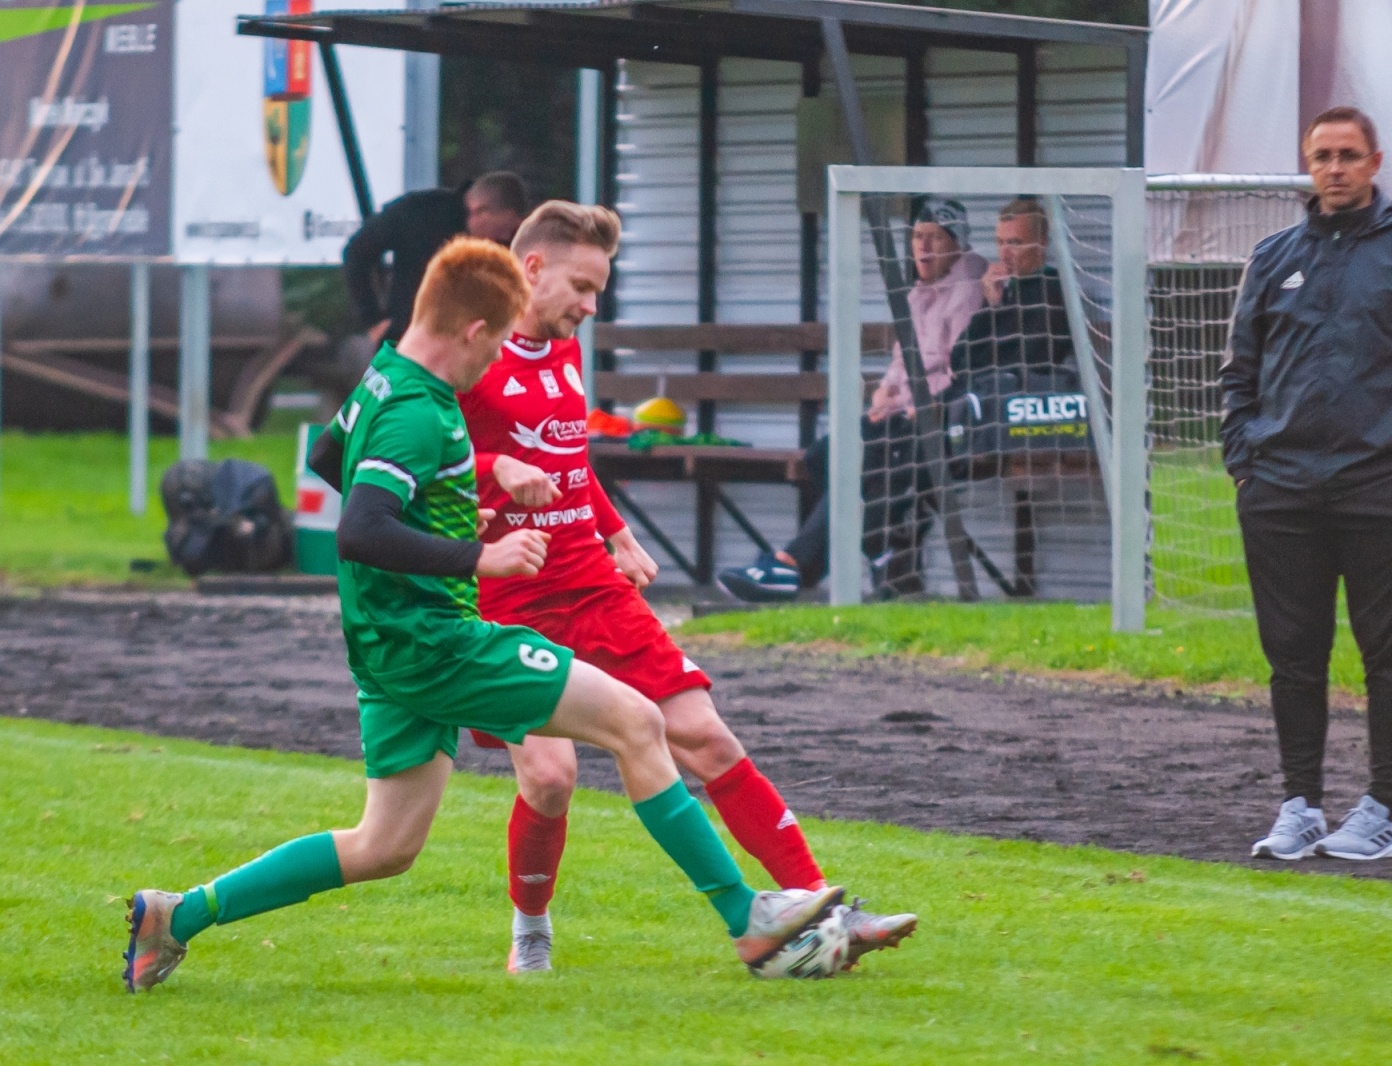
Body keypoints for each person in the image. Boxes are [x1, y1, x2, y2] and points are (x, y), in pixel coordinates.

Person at [121, 237, 845, 993]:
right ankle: (748, 922)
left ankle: (175, 917)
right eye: (497, 342)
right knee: (638, 722)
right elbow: (360, 529)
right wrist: (481, 557)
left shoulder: (381, 381)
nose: (497, 359)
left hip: (386, 646)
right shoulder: (419, 410)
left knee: (384, 845)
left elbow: (329, 461)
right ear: (472, 331)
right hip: (436, 641)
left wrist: (451, 513)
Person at [456, 200, 917, 972]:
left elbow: (566, 457)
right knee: (550, 777)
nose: (591, 305)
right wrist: (491, 470)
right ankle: (530, 931)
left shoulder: (564, 349)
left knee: (706, 735)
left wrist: (616, 530)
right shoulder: (469, 353)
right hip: (509, 595)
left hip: (590, 583)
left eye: (599, 290)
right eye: (582, 286)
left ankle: (826, 909)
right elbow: (419, 463)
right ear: (530, 268)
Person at [1223, 106, 1392, 863]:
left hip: (1380, 492)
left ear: (1375, 163)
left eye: (1348, 155)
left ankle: (1384, 813)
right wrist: (1246, 462)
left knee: (1382, 654)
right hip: (1282, 492)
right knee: (1293, 655)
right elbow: (1241, 372)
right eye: (1322, 156)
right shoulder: (1274, 258)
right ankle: (1299, 804)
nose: (1334, 168)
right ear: (1308, 165)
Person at [716, 199, 988, 602]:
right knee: (823, 455)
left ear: (957, 244)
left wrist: (922, 403)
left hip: (938, 420)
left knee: (860, 468)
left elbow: (959, 364)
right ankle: (884, 554)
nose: (924, 247)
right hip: (902, 416)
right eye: (917, 236)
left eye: (935, 237)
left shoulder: (968, 286)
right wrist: (885, 392)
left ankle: (792, 565)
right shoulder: (916, 293)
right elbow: (902, 361)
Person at [343, 171, 529, 345]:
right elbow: (357, 253)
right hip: (409, 343)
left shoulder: (512, 243)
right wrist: (373, 320)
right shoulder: (418, 213)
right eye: (503, 230)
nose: (505, 238)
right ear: (481, 211)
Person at [942, 196, 1078, 400]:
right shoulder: (1008, 291)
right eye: (1000, 242)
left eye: (1014, 243)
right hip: (986, 398)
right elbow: (958, 358)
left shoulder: (1053, 292)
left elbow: (1033, 362)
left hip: (1020, 404)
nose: (1005, 254)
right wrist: (990, 304)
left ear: (1041, 242)